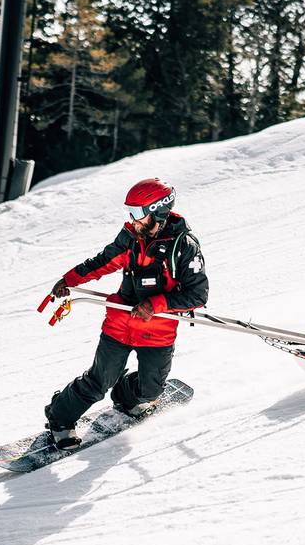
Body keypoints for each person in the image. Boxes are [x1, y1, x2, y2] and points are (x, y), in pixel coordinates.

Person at [43, 177, 209, 449]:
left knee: (151, 392)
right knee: (98, 382)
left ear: (158, 211)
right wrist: (69, 280)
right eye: (129, 214)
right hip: (120, 324)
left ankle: (126, 396)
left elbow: (198, 295)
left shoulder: (185, 247)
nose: (133, 221)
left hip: (158, 330)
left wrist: (155, 304)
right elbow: (103, 261)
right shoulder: (131, 238)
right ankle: (59, 418)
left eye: (137, 214)